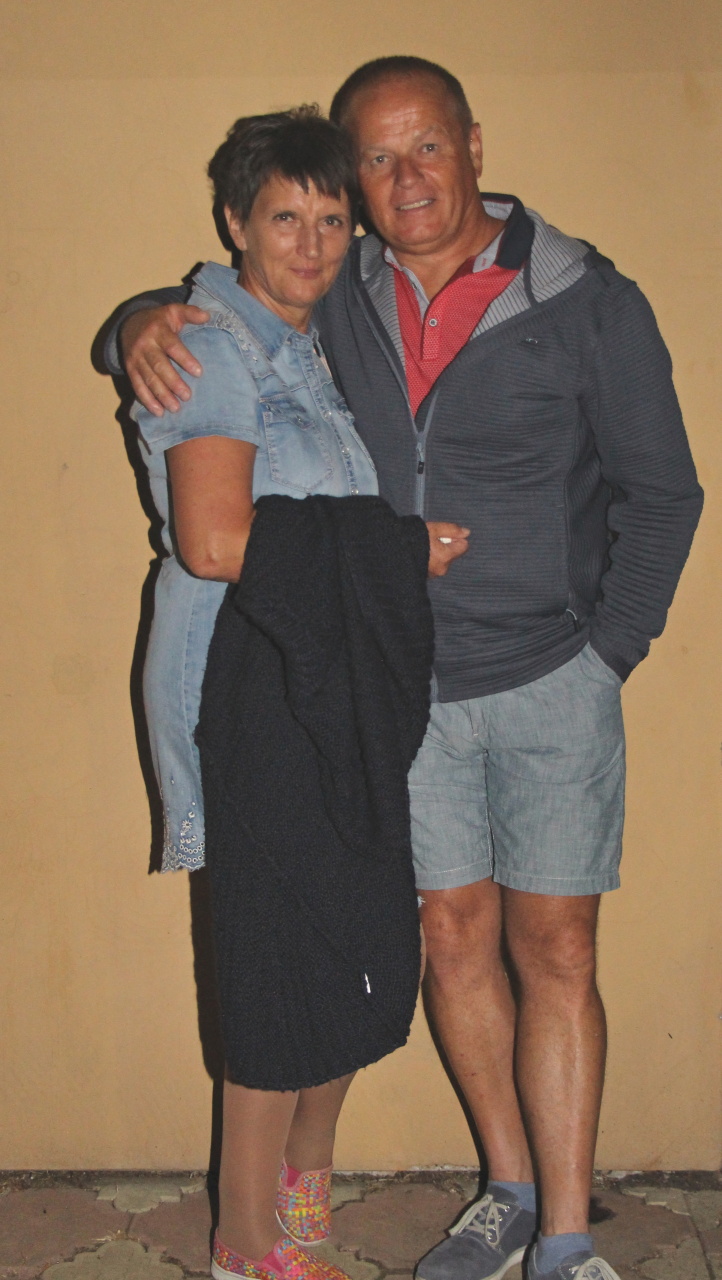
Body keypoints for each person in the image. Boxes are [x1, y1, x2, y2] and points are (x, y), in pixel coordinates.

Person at [104, 57, 703, 1280]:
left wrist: (605, 653)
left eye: (423, 145)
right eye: (372, 158)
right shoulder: (344, 293)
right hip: (376, 685)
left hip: (541, 675)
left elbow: (663, 492)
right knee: (428, 937)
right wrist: (134, 323)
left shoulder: (581, 298)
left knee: (551, 950)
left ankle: (566, 1235)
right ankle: (496, 1191)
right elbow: (225, 341)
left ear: (473, 145)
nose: (399, 178)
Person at [124, 105, 441, 1280]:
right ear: (235, 223)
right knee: (273, 960)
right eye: (283, 218)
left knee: (356, 933)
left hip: (325, 684)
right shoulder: (209, 346)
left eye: (329, 219)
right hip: (244, 689)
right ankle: (242, 1237)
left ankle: (306, 1169)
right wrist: (398, 551)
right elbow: (215, 541)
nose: (309, 243)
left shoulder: (310, 346)